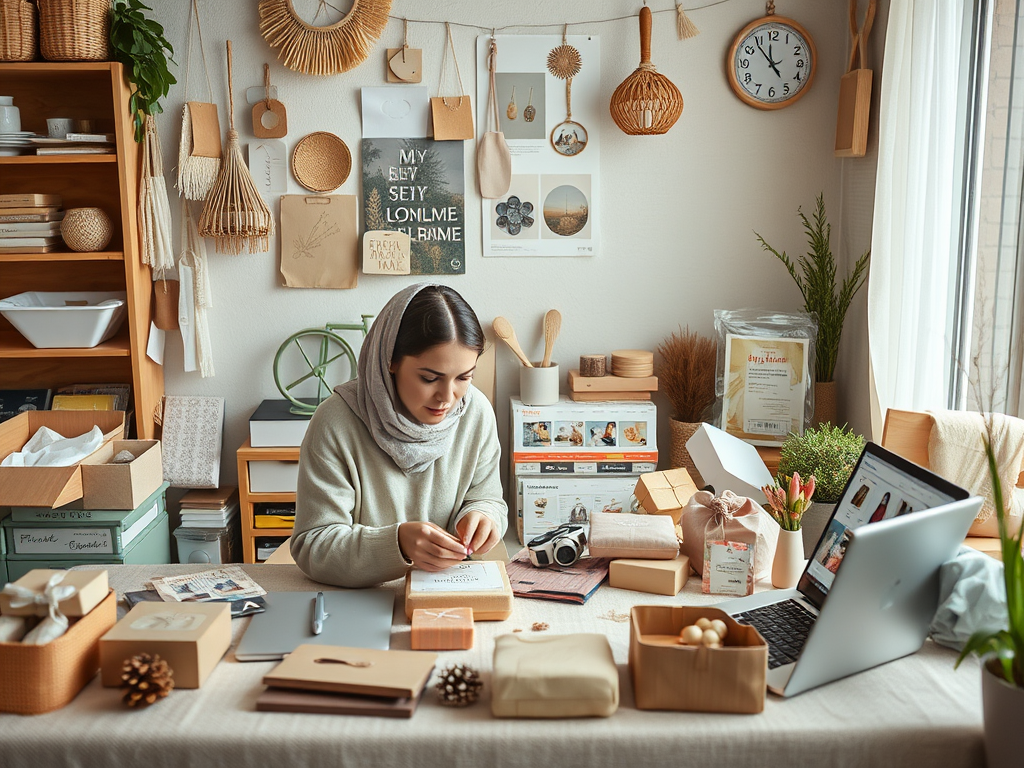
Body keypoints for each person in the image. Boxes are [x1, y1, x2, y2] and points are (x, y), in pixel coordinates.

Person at [290, 284, 508, 588]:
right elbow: (313, 545)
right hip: (362, 603)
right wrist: (397, 544)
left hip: (450, 592)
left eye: (464, 377)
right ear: (389, 361)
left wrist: (483, 516)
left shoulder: (476, 412)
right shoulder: (335, 422)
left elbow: (488, 498)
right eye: (429, 378)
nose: (448, 396)